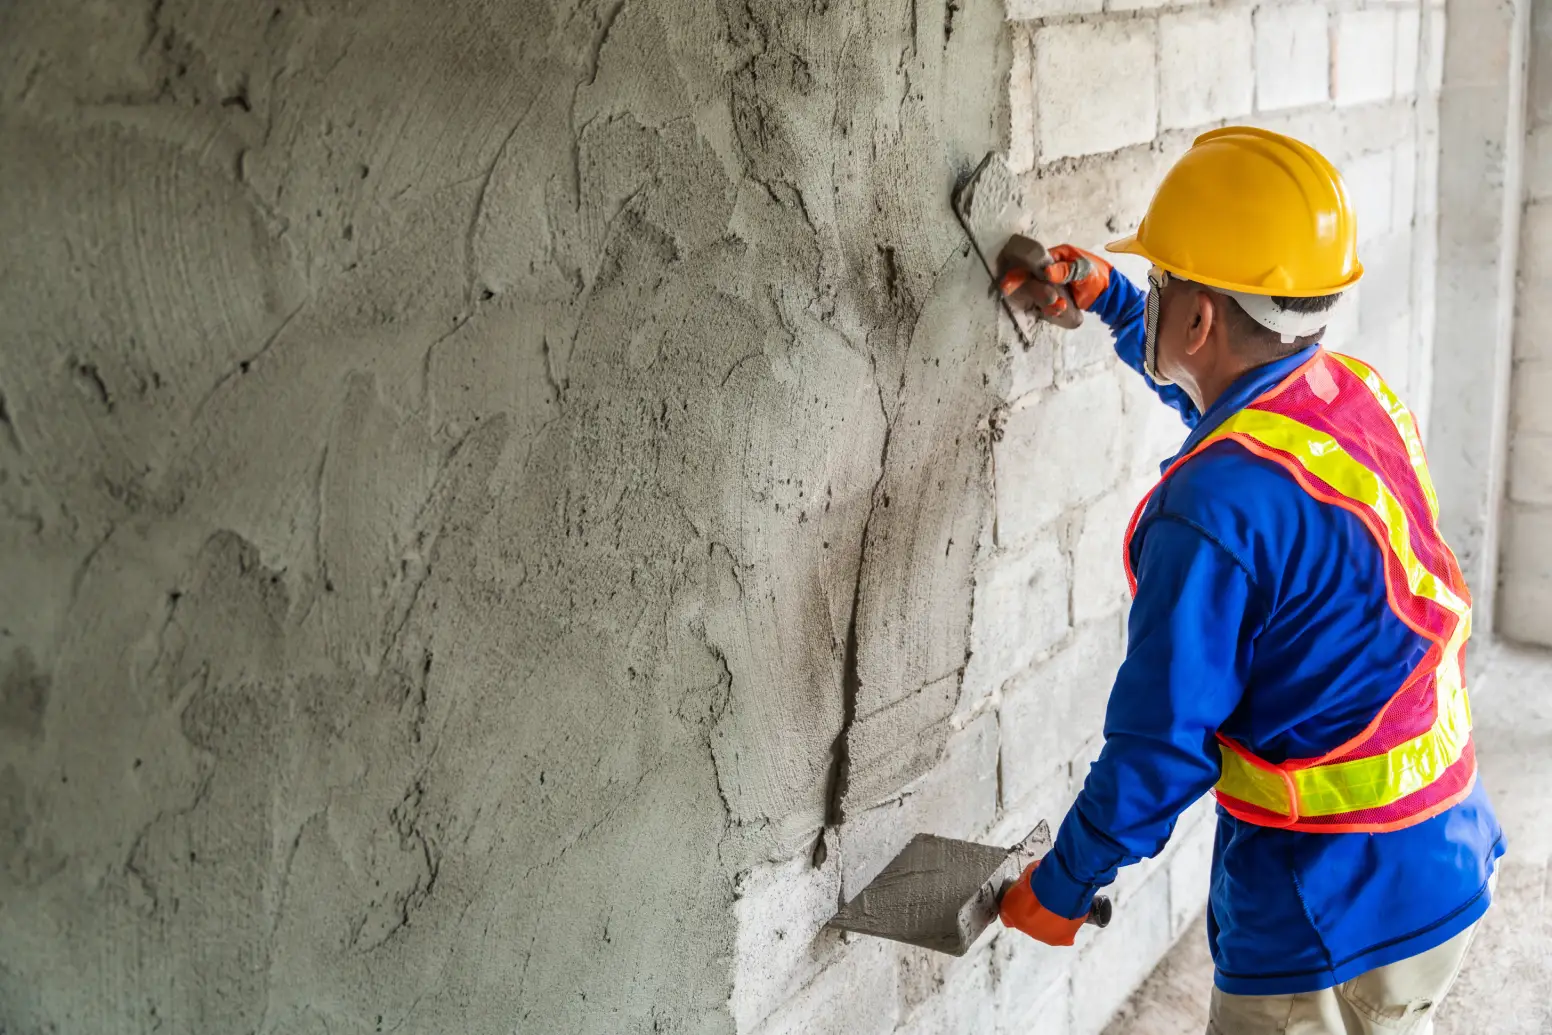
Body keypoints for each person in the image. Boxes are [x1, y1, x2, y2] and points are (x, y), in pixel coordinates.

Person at [993, 126, 1504, 1035]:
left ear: (1197, 320)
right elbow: (1232, 412)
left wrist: (1062, 887)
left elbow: (1158, 747)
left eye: (1161, 285)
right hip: (1442, 855)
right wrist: (1114, 302)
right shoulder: (1348, 393)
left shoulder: (1206, 517)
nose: (1151, 299)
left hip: (1325, 915)